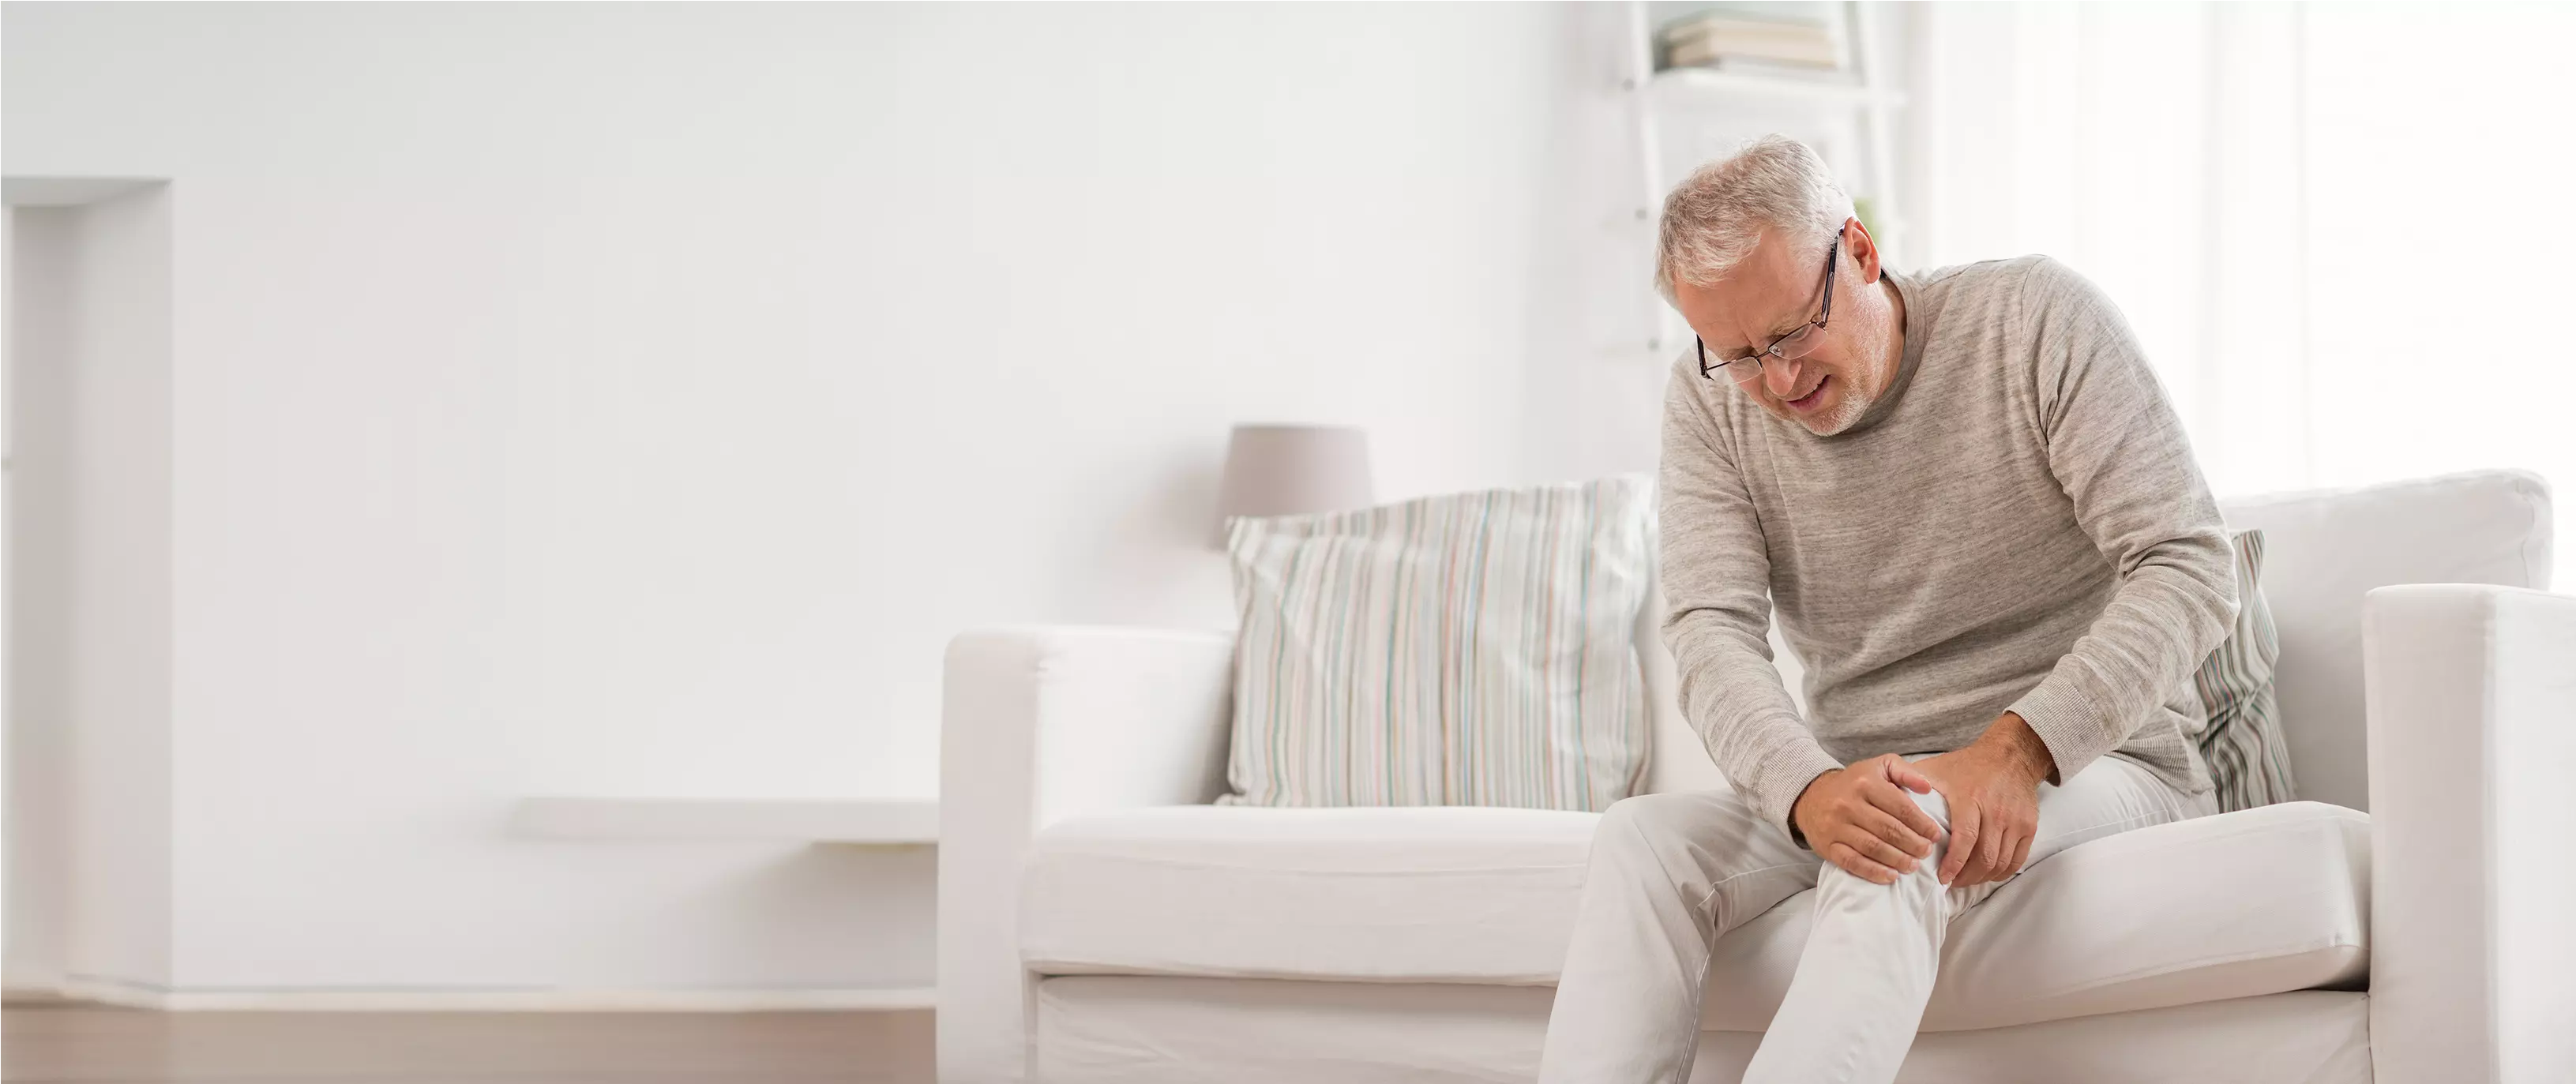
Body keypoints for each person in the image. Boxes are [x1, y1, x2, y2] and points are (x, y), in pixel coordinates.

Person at [1534, 134, 2240, 1083]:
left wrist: (2012, 750)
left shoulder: (2031, 320)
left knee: (1897, 843)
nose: (1777, 382)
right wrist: (1808, 789)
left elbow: (2188, 561)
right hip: (1867, 775)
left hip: (2100, 762)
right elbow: (1708, 628)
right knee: (1641, 840)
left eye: (1790, 334)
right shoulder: (1710, 405)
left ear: (1860, 253)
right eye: (1739, 355)